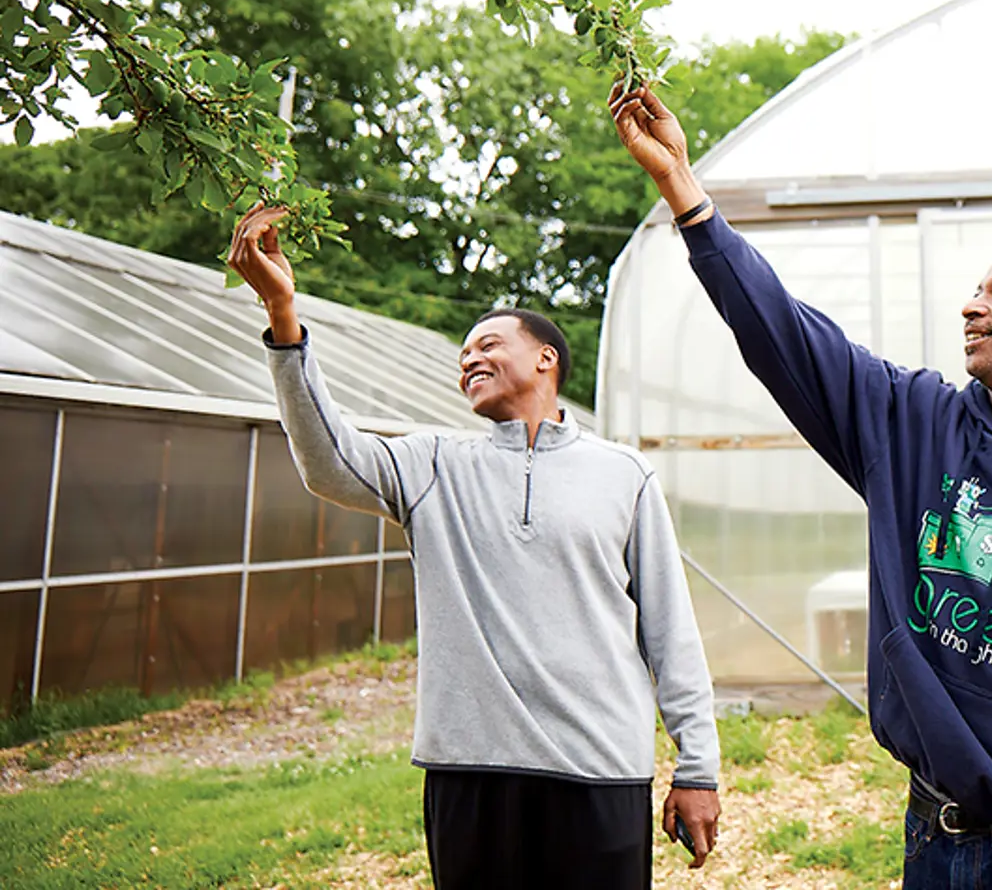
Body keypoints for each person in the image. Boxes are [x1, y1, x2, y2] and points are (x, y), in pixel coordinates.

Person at [609, 85, 992, 889]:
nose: (972, 305)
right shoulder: (912, 424)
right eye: (976, 289)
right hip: (932, 838)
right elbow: (785, 334)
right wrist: (685, 193)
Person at [225, 205, 722, 889]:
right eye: (464, 354)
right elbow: (329, 462)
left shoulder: (624, 475)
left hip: (602, 771)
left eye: (488, 344)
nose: (470, 358)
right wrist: (284, 315)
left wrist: (697, 769)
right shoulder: (433, 464)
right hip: (471, 772)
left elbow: (671, 635)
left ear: (546, 358)